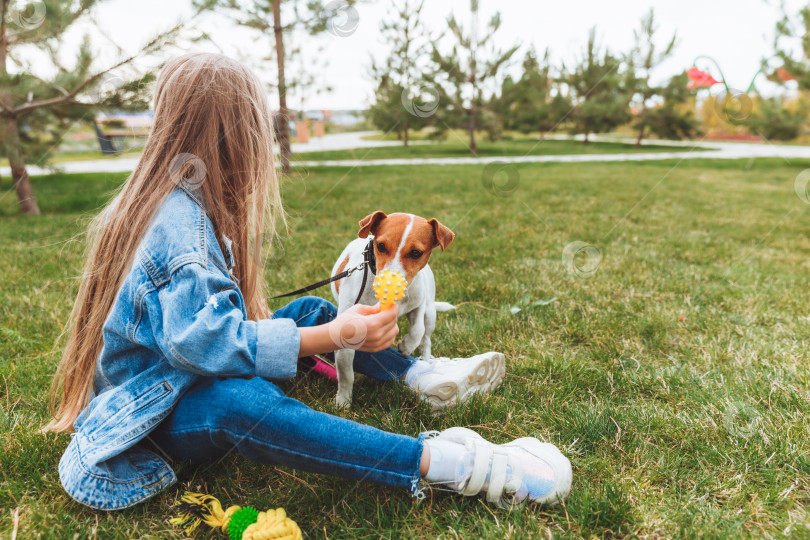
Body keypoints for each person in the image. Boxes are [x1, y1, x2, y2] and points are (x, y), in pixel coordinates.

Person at [46, 52, 572, 512]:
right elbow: (203, 347)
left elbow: (202, 334)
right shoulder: (180, 230)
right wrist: (335, 339)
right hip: (156, 412)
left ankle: (417, 375)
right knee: (245, 406)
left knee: (311, 313)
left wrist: (328, 329)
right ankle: (448, 463)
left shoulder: (179, 202)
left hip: (180, 375)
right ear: (236, 142)